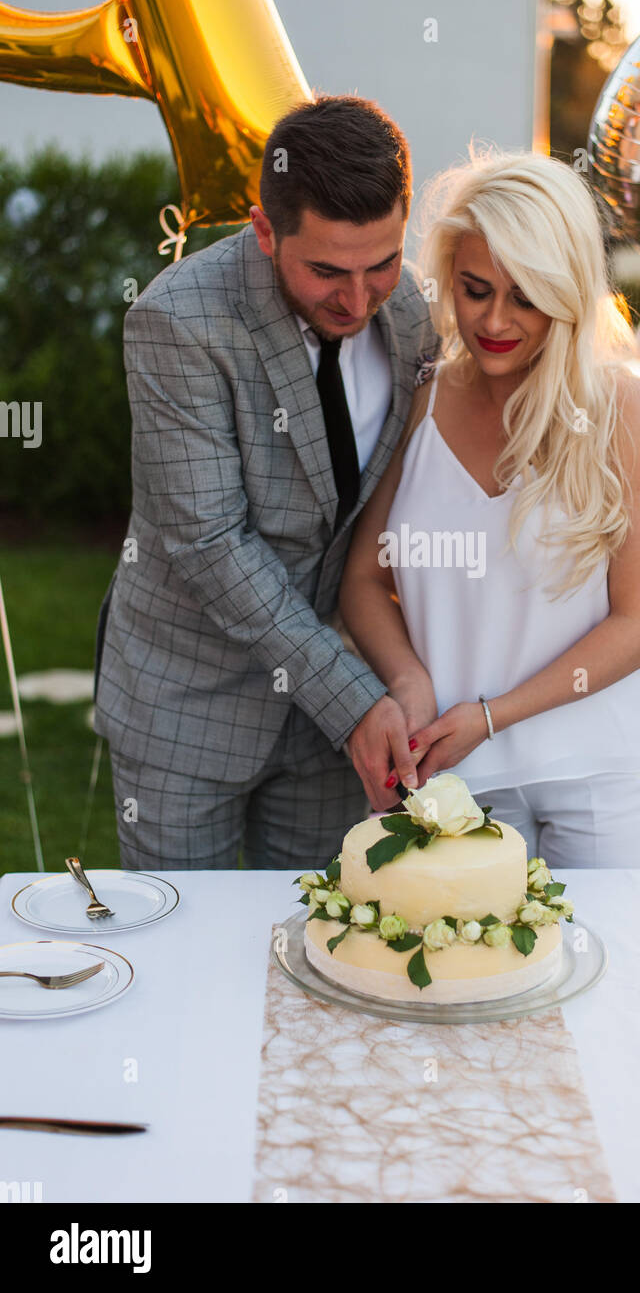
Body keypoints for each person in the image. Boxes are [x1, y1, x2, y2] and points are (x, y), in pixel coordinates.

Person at [93, 96, 438, 870]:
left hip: (333, 717)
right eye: (325, 270)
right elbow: (210, 543)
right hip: (188, 705)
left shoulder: (411, 311)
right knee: (184, 954)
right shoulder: (177, 322)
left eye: (380, 262)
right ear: (262, 231)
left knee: (319, 947)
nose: (357, 299)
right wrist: (357, 700)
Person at [338, 151, 640, 868]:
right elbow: (364, 579)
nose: (494, 320)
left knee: (608, 972)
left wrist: (492, 718)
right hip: (453, 771)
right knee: (462, 974)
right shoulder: (419, 400)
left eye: (525, 297)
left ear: (567, 292)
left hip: (606, 771)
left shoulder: (628, 410)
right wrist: (410, 683)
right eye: (474, 290)